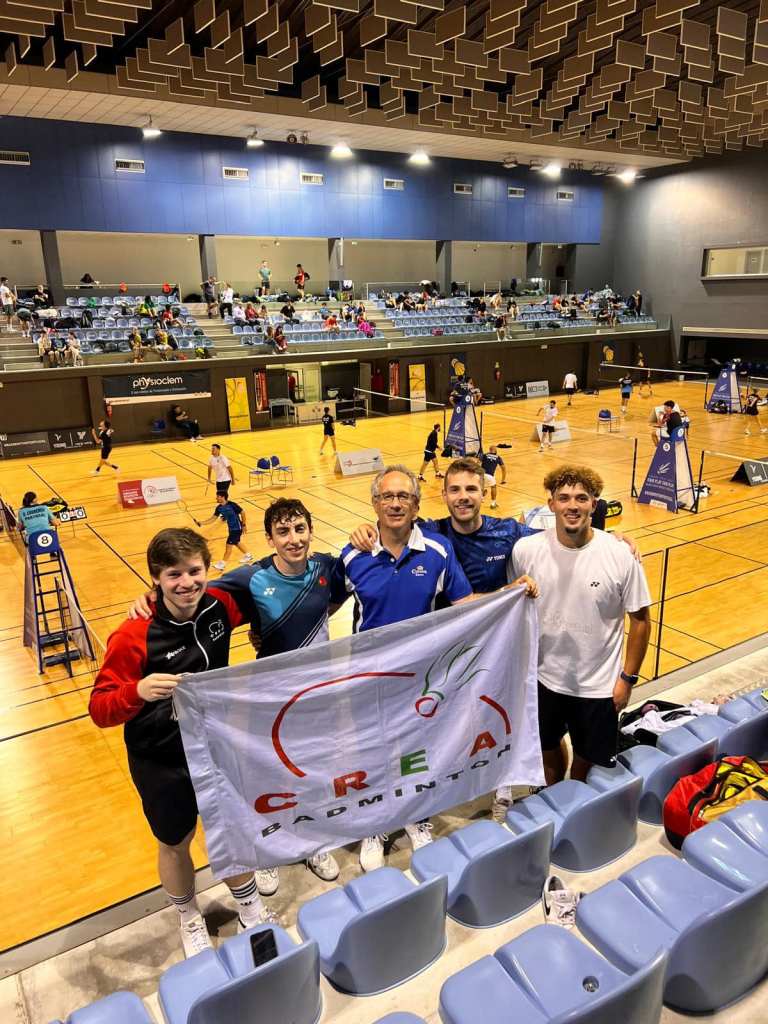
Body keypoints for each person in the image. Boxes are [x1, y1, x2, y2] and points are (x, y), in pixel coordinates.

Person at [127, 500, 350, 891]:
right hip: (268, 699)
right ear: (269, 538)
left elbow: (337, 595)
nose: (293, 539)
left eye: (300, 529)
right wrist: (150, 595)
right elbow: (192, 589)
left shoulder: (327, 567)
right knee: (266, 780)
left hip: (316, 694)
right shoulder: (251, 577)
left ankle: (311, 843)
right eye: (283, 532)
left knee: (311, 773)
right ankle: (265, 851)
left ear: (311, 531)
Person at [89, 528, 276, 957]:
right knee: (175, 842)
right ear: (156, 578)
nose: (187, 583)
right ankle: (189, 916)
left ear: (207, 569)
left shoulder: (221, 603)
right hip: (161, 758)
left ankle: (249, 907)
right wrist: (136, 691)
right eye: (174, 574)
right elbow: (99, 708)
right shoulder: (133, 635)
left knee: (231, 828)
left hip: (215, 746)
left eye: (194, 571)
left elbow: (275, 572)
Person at [341, 465, 475, 871]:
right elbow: (319, 607)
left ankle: (417, 816)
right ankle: (377, 824)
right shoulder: (352, 556)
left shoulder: (438, 551)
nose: (396, 503)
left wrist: (511, 594)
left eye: (404, 497)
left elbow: (467, 606)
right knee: (374, 752)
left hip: (419, 680)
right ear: (375, 503)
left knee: (417, 751)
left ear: (417, 505)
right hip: (369, 680)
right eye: (387, 496)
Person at [511, 465, 651, 785]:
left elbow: (641, 621)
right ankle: (552, 795)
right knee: (547, 750)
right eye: (563, 498)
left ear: (594, 504)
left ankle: (575, 799)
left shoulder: (620, 556)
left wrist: (627, 679)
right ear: (551, 504)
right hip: (544, 680)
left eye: (581, 498)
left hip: (598, 687)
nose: (572, 505)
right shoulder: (526, 550)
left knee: (585, 764)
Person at [195, 494, 252, 570]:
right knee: (236, 542)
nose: (216, 498)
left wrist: (244, 525)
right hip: (231, 528)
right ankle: (248, 555)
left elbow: (243, 512)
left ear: (223, 497)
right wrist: (202, 523)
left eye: (218, 496)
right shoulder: (219, 508)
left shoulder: (232, 505)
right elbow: (213, 518)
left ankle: (222, 564)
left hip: (237, 528)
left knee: (228, 545)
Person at [480, 445, 506, 509]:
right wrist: (503, 479)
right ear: (495, 450)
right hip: (490, 475)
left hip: (481, 475)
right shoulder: (498, 457)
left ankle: (481, 497)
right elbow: (503, 468)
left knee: (482, 487)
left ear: (489, 450)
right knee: (493, 487)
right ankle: (493, 503)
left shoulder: (484, 455)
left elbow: (477, 463)